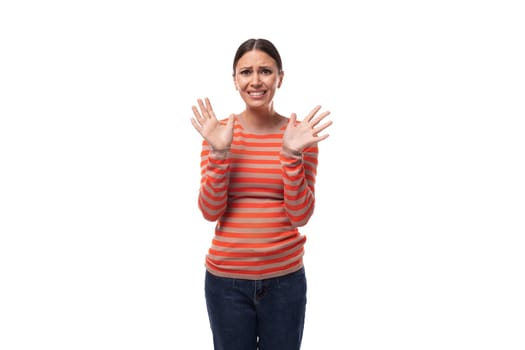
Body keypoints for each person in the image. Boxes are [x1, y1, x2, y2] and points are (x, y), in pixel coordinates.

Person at [190, 38, 332, 350]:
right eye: (246, 72)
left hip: (285, 281)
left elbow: (301, 215)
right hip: (226, 282)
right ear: (235, 80)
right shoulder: (219, 132)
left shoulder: (299, 135)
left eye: (265, 71)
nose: (255, 81)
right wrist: (219, 151)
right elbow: (210, 210)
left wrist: (291, 155)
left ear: (280, 77)